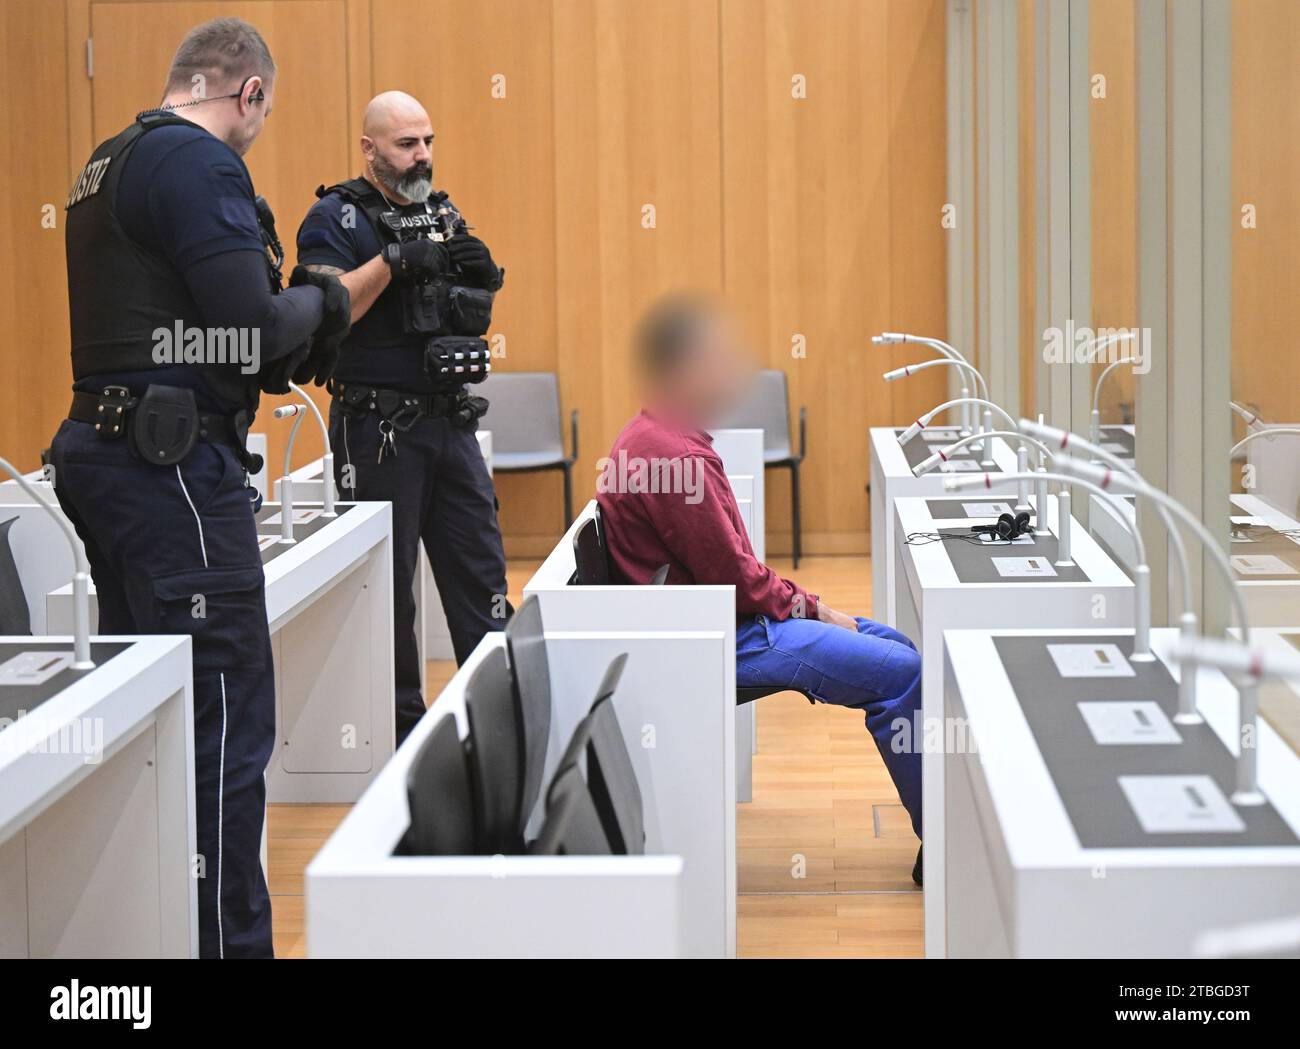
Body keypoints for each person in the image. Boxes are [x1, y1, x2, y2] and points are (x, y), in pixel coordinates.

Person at [50, 17, 350, 957]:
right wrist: (330, 296)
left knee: (154, 721)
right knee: (222, 723)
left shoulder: (106, 163)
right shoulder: (200, 165)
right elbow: (255, 335)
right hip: (170, 469)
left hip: (104, 459)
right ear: (248, 92)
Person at [596, 294, 923, 885]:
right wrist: (819, 610)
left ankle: (942, 829)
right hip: (718, 637)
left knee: (897, 646)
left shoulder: (660, 435)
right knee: (901, 671)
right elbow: (738, 580)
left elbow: (736, 572)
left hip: (721, 620)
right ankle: (946, 846)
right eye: (717, 363)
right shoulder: (673, 456)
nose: (731, 376)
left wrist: (815, 610)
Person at [295, 90, 509, 746]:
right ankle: (401, 746)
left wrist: (481, 280)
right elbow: (329, 310)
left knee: (483, 576)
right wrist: (391, 264)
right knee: (390, 597)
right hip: (378, 432)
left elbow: (464, 307)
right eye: (406, 144)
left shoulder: (441, 211)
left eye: (428, 141)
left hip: (450, 422)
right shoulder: (334, 218)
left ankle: (503, 728)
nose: (423, 156)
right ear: (368, 148)